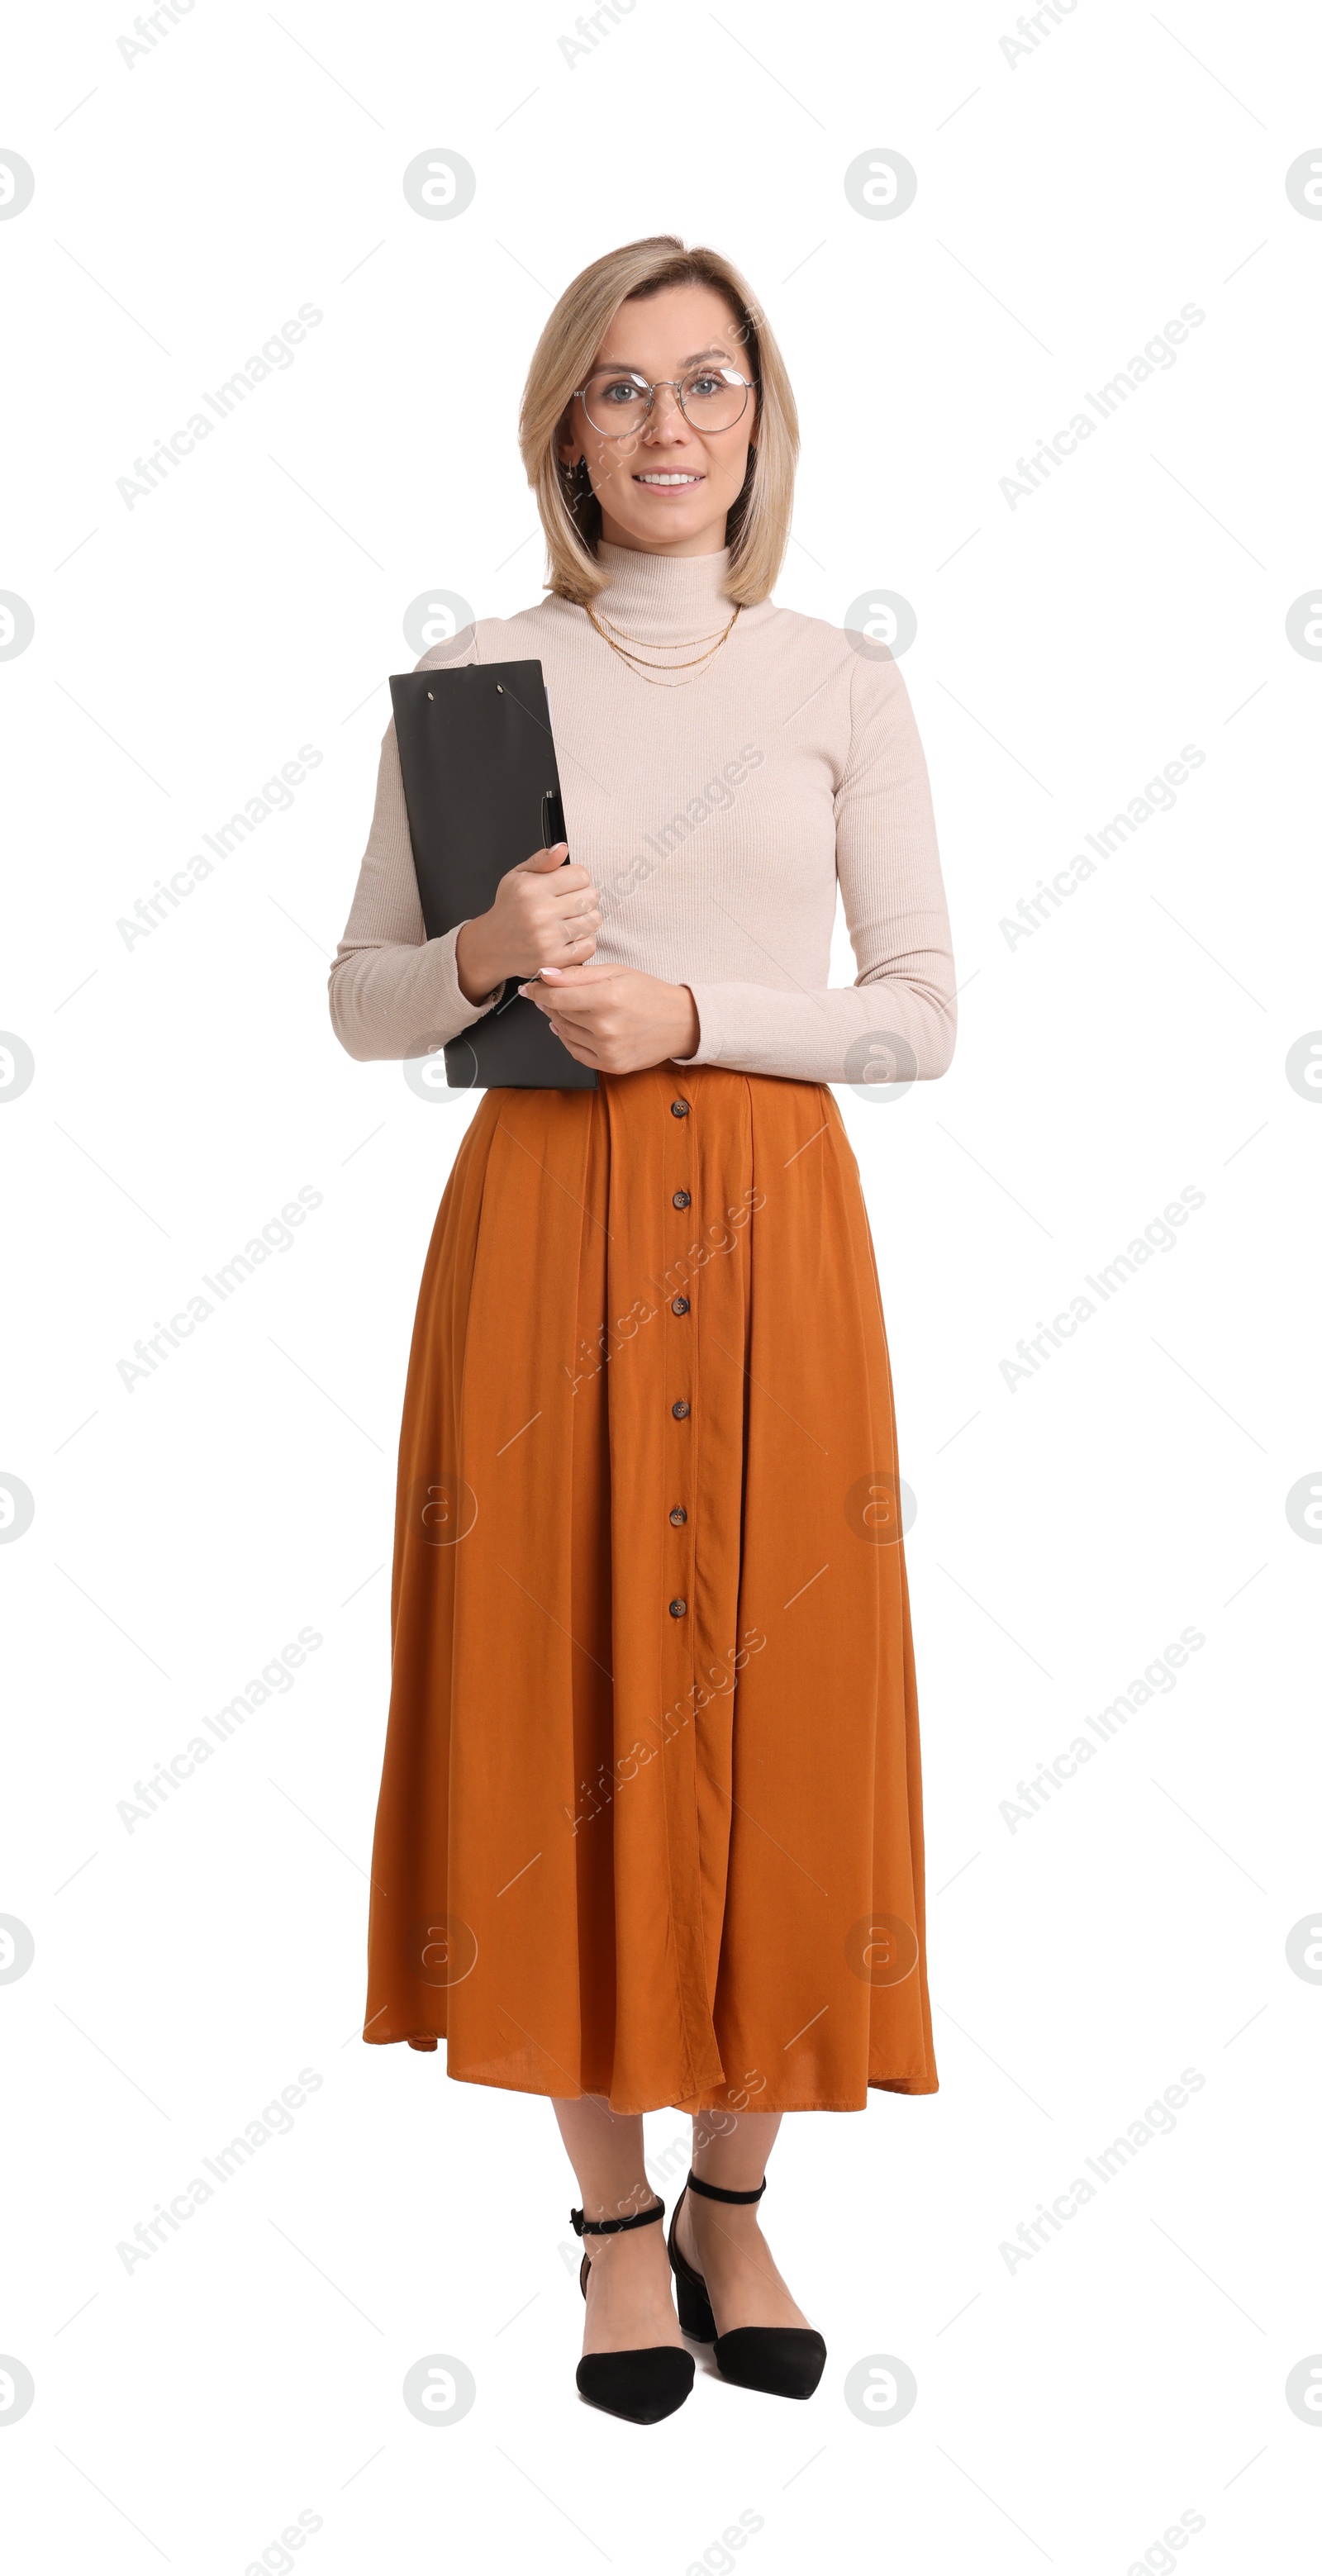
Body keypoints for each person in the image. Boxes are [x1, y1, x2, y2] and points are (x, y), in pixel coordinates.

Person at [329, 233, 957, 2423]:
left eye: (707, 385)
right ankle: (612, 2224)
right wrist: (486, 944)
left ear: (760, 421)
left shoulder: (841, 684)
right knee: (560, 1684)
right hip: (544, 1226)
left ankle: (739, 2195)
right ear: (564, 428)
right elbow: (360, 1004)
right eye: (622, 389)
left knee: (780, 1699)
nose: (670, 426)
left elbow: (920, 1017)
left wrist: (696, 1010)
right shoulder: (484, 676)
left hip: (778, 1230)